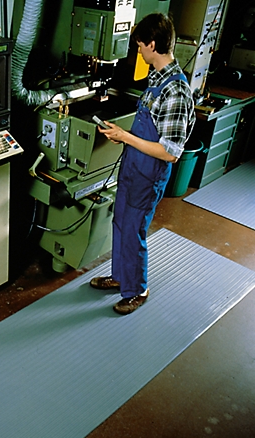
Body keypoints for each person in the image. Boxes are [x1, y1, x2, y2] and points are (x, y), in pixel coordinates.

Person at [90, 13, 196, 315]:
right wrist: (122, 136)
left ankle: (138, 289)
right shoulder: (156, 79)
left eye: (140, 45)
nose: (138, 51)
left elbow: (170, 152)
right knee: (120, 221)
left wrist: (126, 137)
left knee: (134, 228)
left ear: (152, 44)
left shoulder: (175, 92)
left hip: (148, 174)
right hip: (133, 168)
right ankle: (120, 276)